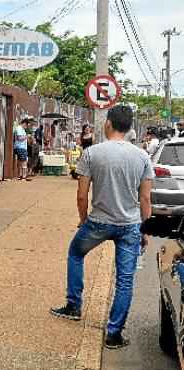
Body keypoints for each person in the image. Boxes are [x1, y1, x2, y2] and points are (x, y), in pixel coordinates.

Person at [50, 105, 153, 349]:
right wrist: (145, 230)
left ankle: (73, 306)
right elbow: (146, 199)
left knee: (76, 254)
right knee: (125, 280)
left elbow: (81, 194)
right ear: (129, 128)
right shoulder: (142, 156)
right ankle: (114, 334)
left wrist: (83, 219)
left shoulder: (92, 153)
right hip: (130, 226)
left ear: (108, 124)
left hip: (98, 222)